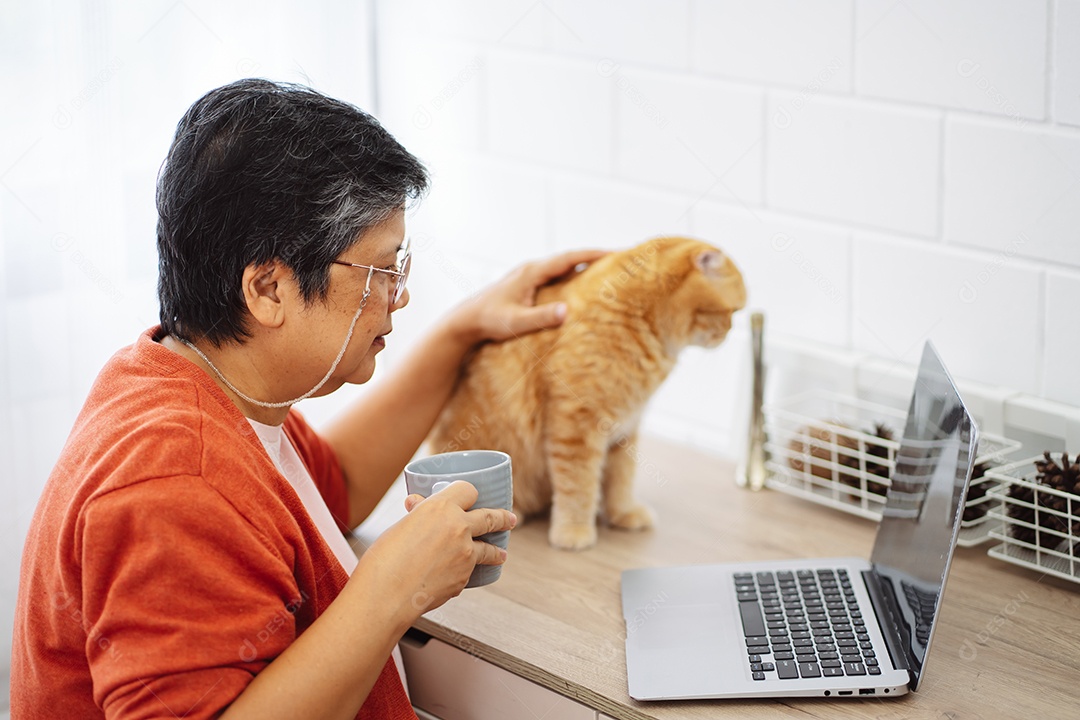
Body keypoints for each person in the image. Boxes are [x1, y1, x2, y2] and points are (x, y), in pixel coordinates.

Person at [11, 79, 603, 719]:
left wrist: (462, 333)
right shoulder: (176, 479)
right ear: (268, 288)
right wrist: (392, 590)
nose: (398, 295)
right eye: (381, 270)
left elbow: (332, 489)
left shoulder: (191, 378)